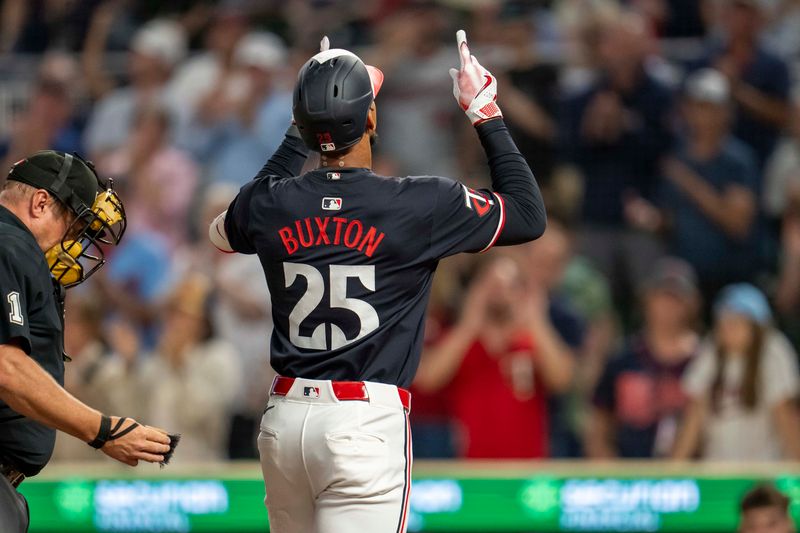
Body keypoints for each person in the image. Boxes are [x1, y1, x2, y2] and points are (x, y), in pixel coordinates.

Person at [209, 32, 546, 532]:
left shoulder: (270, 203)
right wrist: (484, 111)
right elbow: (528, 214)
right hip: (362, 422)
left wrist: (303, 120)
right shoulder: (418, 202)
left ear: (303, 127)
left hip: (284, 417)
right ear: (369, 117)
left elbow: (224, 231)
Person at [0, 151, 173, 532]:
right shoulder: (9, 243)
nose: (74, 247)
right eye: (74, 229)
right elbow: (6, 369)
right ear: (41, 202)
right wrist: (102, 430)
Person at [415, 255, 573, 458]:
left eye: (510, 285)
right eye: (491, 284)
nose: (500, 292)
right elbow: (427, 380)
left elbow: (562, 380)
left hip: (528, 469)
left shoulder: (533, 340)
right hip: (471, 469)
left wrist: (537, 320)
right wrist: (468, 325)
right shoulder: (462, 341)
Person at [626, 68, 760, 301]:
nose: (703, 115)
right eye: (697, 106)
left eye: (710, 107)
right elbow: (671, 220)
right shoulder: (675, 156)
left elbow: (738, 223)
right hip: (684, 280)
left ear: (726, 112)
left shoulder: (738, 160)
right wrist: (651, 219)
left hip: (730, 276)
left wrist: (688, 181)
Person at [673, 283, 800, 461]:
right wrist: (672, 471)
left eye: (737, 321)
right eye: (723, 322)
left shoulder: (773, 350)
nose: (728, 329)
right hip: (717, 468)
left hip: (762, 472)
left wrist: (796, 469)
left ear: (756, 326)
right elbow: (694, 414)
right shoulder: (712, 349)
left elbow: (785, 416)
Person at [587, 258, 700, 458]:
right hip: (628, 475)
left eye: (677, 300)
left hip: (688, 479)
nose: (668, 308)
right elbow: (599, 422)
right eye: (662, 297)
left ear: (692, 305)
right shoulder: (623, 358)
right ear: (647, 299)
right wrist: (607, 468)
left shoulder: (702, 361)